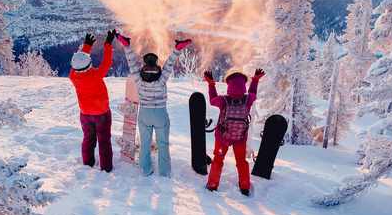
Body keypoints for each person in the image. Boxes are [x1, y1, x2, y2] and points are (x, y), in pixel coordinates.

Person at [116, 33, 191, 176]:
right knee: (163, 144)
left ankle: (145, 169)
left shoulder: (139, 79)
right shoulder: (161, 79)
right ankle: (165, 172)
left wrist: (127, 46)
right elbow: (169, 63)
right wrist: (177, 49)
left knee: (145, 143)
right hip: (160, 113)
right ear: (156, 64)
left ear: (144, 64)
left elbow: (131, 63)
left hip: (144, 113)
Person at [204, 68, 264, 196]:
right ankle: (245, 187)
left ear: (229, 85)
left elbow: (212, 99)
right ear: (243, 85)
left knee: (218, 160)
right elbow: (253, 93)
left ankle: (212, 185)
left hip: (222, 137)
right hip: (240, 138)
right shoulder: (247, 100)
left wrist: (211, 84)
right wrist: (255, 80)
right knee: (241, 162)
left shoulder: (223, 100)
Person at [69, 30, 116, 172]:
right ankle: (106, 168)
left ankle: (88, 164)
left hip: (85, 115)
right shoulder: (96, 75)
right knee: (104, 141)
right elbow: (107, 61)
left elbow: (77, 65)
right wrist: (108, 43)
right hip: (102, 114)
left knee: (88, 140)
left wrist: (86, 47)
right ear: (89, 63)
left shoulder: (73, 76)